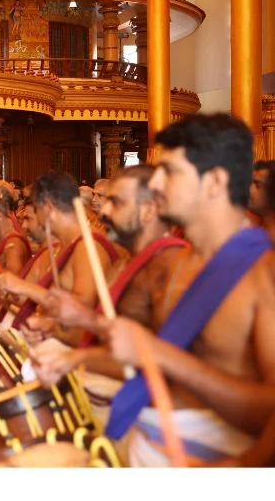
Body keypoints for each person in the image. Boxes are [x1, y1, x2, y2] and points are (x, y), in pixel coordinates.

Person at [99, 114, 275, 467]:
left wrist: (244, 466)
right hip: (143, 439)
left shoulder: (263, 271)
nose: (156, 183)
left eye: (169, 171)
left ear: (215, 182)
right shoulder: (174, 262)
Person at [32, 165, 189, 429]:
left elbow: (165, 367)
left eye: (116, 202)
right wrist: (54, 329)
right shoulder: (127, 261)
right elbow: (108, 338)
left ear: (148, 210)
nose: (103, 211)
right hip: (92, 396)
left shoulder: (169, 267)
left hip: (137, 421)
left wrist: (76, 358)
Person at [0, 170, 119, 345]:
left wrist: (25, 288)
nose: (35, 220)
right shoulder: (60, 246)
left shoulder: (90, 245)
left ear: (48, 207)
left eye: (36, 210)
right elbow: (31, 300)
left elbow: (82, 308)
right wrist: (1, 292)